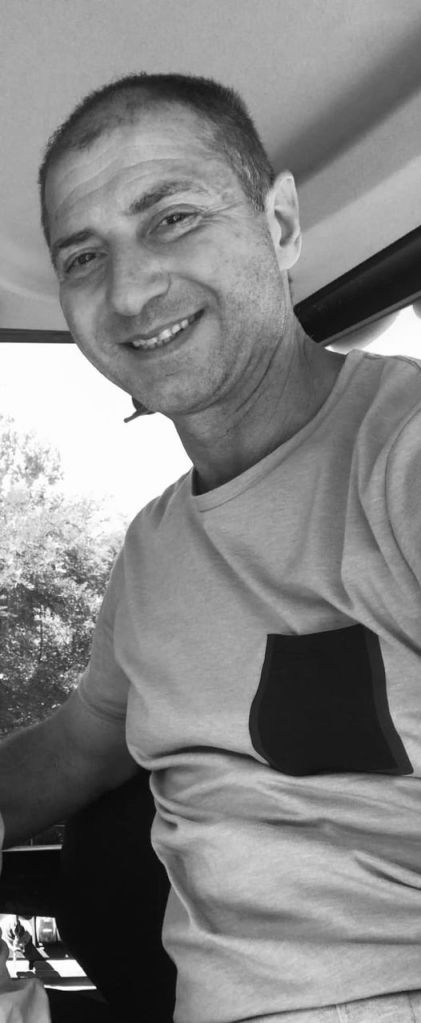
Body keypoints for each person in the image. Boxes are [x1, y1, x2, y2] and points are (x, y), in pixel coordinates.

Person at [0, 71, 421, 1023]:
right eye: (83, 257)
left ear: (279, 224)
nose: (129, 290)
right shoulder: (154, 551)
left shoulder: (399, 458)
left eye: (173, 218)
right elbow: (79, 745)